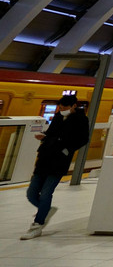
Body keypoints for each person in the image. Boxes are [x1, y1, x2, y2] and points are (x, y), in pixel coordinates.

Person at [22, 95, 90, 240]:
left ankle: (37, 224)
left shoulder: (81, 120)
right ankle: (45, 210)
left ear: (73, 106)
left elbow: (83, 139)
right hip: (44, 159)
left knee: (46, 193)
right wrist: (44, 136)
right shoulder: (58, 117)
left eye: (65, 107)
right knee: (31, 193)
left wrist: (67, 149)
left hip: (59, 161)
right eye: (60, 107)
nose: (62, 110)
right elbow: (52, 133)